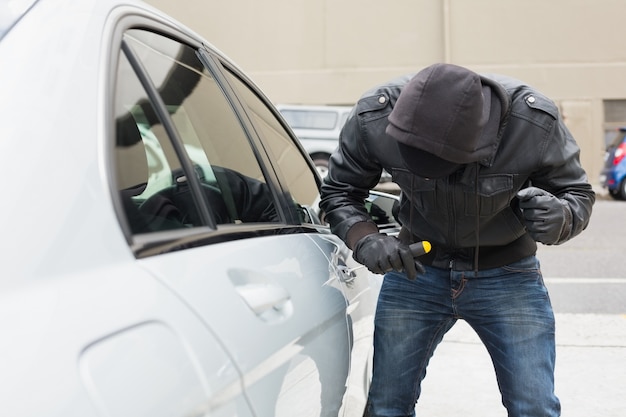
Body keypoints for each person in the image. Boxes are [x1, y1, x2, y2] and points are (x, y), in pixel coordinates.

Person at [319, 63, 595, 417]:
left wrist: (563, 217)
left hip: (507, 273)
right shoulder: (375, 117)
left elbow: (577, 193)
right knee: (387, 406)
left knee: (534, 407)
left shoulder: (533, 122)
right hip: (416, 270)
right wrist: (366, 240)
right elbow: (340, 191)